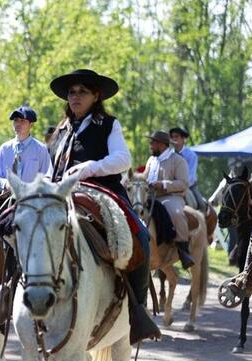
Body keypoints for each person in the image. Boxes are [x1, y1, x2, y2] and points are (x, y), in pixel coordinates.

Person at [49, 68, 160, 343]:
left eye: (82, 92)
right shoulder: (61, 130)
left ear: (96, 96)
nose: (75, 96)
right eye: (72, 92)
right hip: (61, 192)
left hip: (102, 191)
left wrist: (92, 167)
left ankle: (137, 312)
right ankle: (10, 294)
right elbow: (52, 167)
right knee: (21, 224)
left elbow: (123, 159)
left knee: (142, 236)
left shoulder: (109, 125)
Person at [143, 130, 194, 269]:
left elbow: (183, 183)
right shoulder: (151, 160)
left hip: (170, 197)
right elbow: (144, 177)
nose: (150, 145)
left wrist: (163, 184)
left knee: (177, 213)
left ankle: (183, 250)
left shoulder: (178, 160)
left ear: (161, 144)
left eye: (152, 142)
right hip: (149, 196)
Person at [0, 105, 53, 191]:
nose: (18, 124)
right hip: (7, 198)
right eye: (16, 120)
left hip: (31, 199)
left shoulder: (41, 149)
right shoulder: (4, 149)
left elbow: (48, 176)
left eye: (22, 121)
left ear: (31, 125)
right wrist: (6, 183)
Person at [170, 126, 206, 211]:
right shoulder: (169, 155)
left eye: (177, 136)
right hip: (171, 187)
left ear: (183, 139)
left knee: (201, 205)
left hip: (189, 186)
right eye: (172, 137)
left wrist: (181, 186)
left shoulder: (191, 155)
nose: (174, 139)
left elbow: (191, 176)